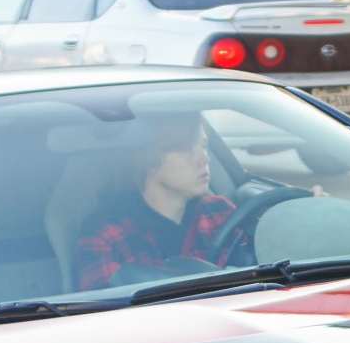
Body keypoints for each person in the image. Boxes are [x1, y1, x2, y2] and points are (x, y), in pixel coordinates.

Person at [73, 114, 236, 290]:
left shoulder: (221, 213)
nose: (205, 158)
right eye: (184, 149)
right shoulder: (106, 234)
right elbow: (105, 311)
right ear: (149, 162)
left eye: (203, 146)